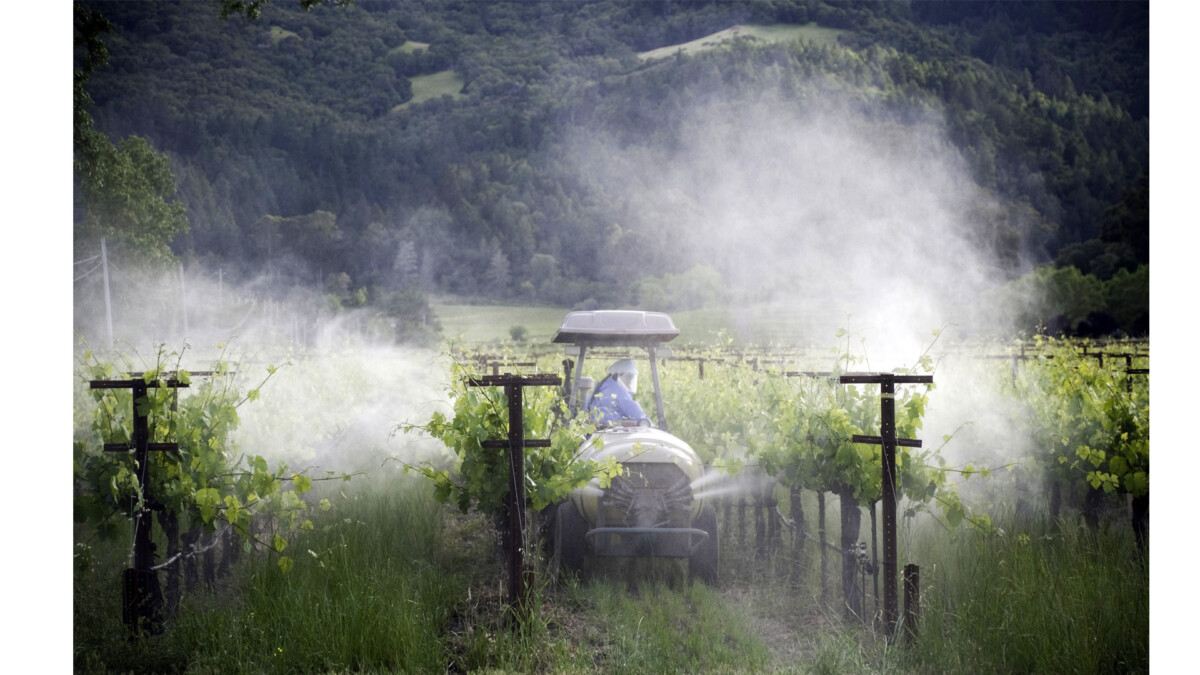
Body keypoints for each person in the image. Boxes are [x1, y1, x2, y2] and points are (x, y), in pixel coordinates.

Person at [588, 359, 650, 426]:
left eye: (632, 377)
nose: (630, 381)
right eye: (628, 376)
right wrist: (651, 424)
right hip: (612, 434)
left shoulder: (601, 387)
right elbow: (638, 416)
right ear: (616, 375)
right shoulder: (618, 391)